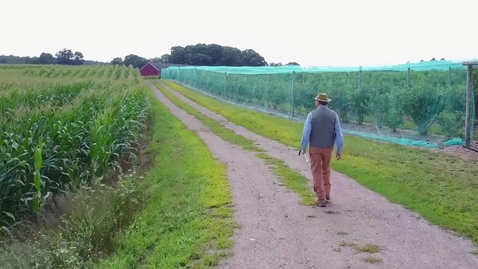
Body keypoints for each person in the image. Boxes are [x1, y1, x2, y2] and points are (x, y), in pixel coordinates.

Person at [299, 93, 344, 207]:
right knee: (326, 168)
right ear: (327, 103)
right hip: (328, 148)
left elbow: (306, 133)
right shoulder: (334, 115)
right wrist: (339, 149)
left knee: (316, 170)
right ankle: (327, 192)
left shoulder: (312, 115)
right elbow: (339, 134)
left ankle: (320, 197)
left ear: (318, 102)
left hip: (315, 147)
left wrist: (303, 147)